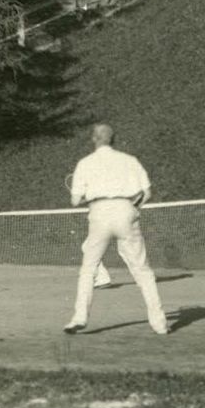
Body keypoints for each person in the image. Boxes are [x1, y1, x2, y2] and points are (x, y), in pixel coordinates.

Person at [64, 123, 168, 336]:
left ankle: (79, 318)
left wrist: (93, 199)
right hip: (126, 210)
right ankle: (160, 324)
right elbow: (146, 193)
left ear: (93, 138)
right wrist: (132, 209)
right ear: (114, 139)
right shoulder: (130, 160)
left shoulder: (85, 163)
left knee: (88, 269)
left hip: (99, 212)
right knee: (143, 271)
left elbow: (75, 200)